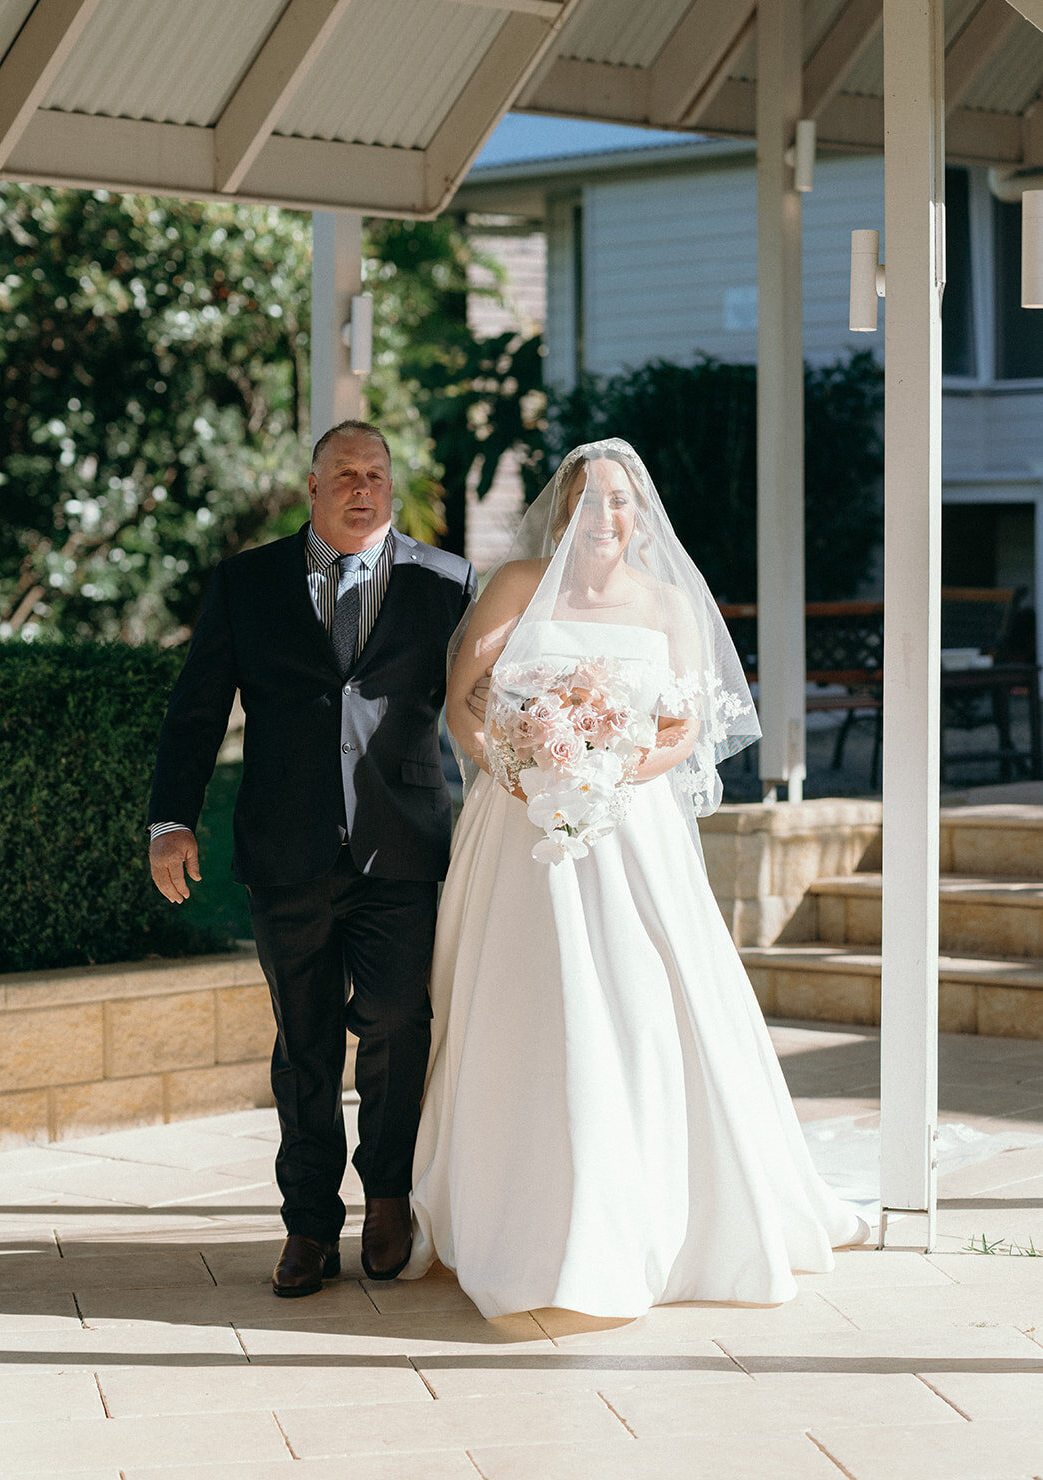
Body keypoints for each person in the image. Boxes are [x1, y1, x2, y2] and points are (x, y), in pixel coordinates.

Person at [405, 437, 868, 1320]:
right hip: (519, 827)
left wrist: (608, 772)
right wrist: (522, 767)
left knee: (643, 998)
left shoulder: (664, 606)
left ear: (638, 513)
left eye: (619, 501)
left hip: (630, 826)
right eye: (587, 501)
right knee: (526, 1000)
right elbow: (466, 702)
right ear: (562, 510)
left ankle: (653, 1208)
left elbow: (684, 731)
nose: (603, 517)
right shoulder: (516, 587)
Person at [148, 421, 476, 1296]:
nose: (362, 487)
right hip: (285, 848)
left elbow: (484, 701)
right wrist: (169, 821)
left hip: (401, 845)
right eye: (345, 474)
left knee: (400, 1026)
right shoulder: (247, 583)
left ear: (390, 487)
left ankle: (390, 1201)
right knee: (304, 1044)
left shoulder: (446, 582)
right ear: (313, 485)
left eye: (376, 474)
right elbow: (197, 709)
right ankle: (307, 1225)